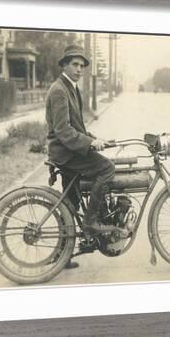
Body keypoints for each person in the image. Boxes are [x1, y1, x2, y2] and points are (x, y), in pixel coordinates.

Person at [45, 44, 116, 234]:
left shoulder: (71, 88)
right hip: (66, 152)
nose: (79, 69)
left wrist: (95, 139)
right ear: (64, 66)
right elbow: (63, 130)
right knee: (107, 168)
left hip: (68, 149)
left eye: (82, 66)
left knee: (70, 203)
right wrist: (90, 143)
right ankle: (90, 222)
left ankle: (62, 256)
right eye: (75, 64)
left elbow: (77, 126)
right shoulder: (60, 90)